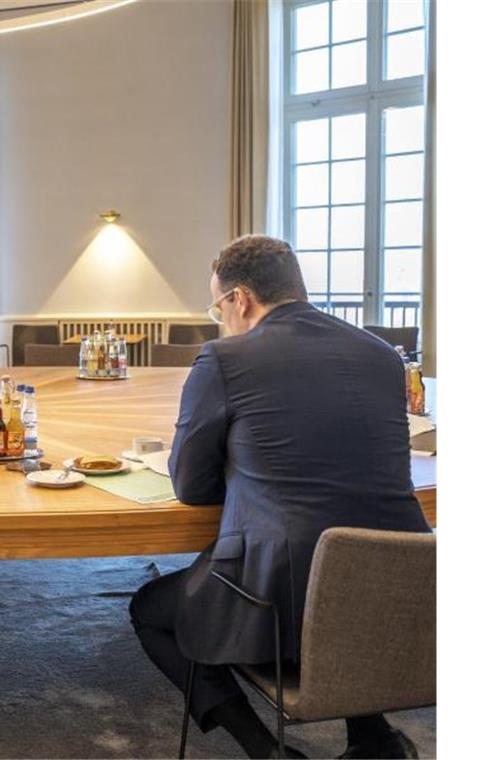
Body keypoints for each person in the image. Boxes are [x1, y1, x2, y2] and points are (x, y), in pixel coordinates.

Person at [128, 235, 429, 760]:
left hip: (280, 602)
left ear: (240, 299)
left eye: (217, 306)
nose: (220, 318)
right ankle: (374, 737)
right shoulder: (381, 355)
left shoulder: (224, 359)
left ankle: (267, 752)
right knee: (341, 550)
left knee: (151, 609)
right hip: (401, 592)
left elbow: (190, 485)